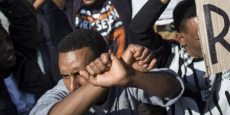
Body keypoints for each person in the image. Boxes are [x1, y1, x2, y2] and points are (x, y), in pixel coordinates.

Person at [30, 29, 184, 114]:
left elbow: (174, 88)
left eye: (79, 74)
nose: (71, 86)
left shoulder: (123, 80)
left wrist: (131, 77)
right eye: (65, 76)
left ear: (102, 60)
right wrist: (102, 81)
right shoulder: (60, 94)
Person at [0, 0, 53, 115]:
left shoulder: (22, 57)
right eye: (0, 45)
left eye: (8, 40)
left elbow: (25, 18)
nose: (9, 47)